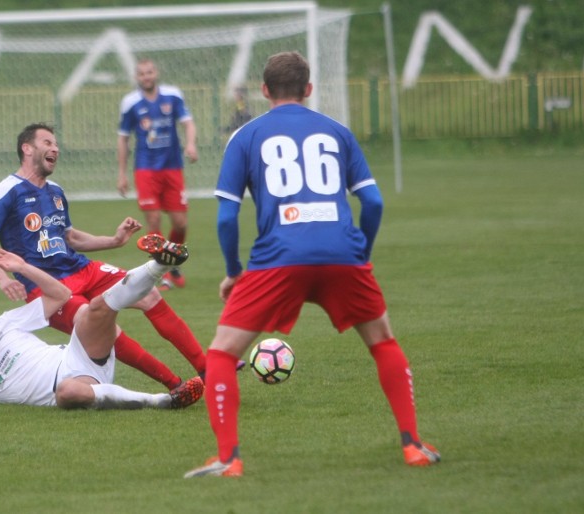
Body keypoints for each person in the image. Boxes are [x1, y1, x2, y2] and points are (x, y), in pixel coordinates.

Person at [184, 51, 440, 478]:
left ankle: (229, 459)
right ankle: (413, 445)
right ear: (308, 90)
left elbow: (227, 216)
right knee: (383, 341)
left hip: (277, 259)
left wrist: (233, 270)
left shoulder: (245, 137)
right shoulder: (338, 132)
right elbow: (372, 202)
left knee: (223, 352)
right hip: (343, 252)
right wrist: (362, 251)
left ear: (264, 91)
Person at [0, 123, 208, 395]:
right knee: (104, 329)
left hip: (81, 268)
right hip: (48, 289)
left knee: (148, 294)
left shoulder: (55, 191)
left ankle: (206, 368)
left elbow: (70, 238)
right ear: (27, 148)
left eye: (56, 144)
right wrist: (2, 278)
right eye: (47, 143)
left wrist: (114, 240)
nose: (55, 149)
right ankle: (175, 385)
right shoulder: (5, 191)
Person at [0, 235, 205, 410]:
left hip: (79, 356)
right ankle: (164, 401)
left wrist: (22, 267)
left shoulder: (6, 325)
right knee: (67, 392)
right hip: (74, 386)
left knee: (94, 308)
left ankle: (161, 264)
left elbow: (58, 295)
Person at [117, 58, 198, 290]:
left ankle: (173, 263)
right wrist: (121, 174)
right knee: (153, 221)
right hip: (145, 168)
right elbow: (123, 138)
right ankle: (160, 271)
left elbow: (188, 123)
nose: (146, 77)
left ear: (156, 73)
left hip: (172, 167)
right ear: (137, 77)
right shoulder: (130, 102)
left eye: (150, 72)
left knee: (180, 223)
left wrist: (191, 144)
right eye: (142, 74)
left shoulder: (172, 95)